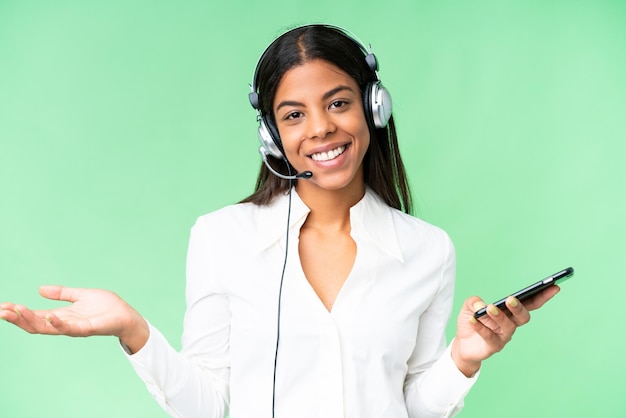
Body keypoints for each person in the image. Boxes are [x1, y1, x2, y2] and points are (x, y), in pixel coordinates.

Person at [0, 24, 560, 418]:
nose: (319, 128)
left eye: (339, 103)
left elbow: (411, 406)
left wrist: (462, 359)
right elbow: (205, 404)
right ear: (272, 135)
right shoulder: (221, 237)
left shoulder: (428, 250)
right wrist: (132, 329)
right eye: (294, 115)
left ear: (374, 107)